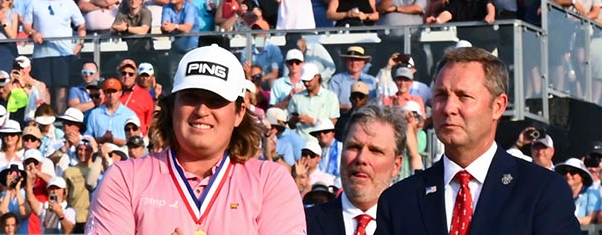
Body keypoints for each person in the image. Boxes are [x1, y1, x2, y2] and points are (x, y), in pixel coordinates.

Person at [83, 45, 302, 233]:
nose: (201, 110)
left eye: (216, 100)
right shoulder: (124, 179)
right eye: (190, 97)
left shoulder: (271, 182)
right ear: (173, 106)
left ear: (239, 112)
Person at [375, 47, 577, 234]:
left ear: (498, 106)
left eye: (463, 96)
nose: (448, 108)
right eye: (441, 95)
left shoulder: (542, 192)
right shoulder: (399, 201)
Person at [305, 105, 405, 234]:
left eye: (375, 151)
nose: (361, 158)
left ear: (396, 165)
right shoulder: (304, 224)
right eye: (354, 147)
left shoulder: (414, 227)